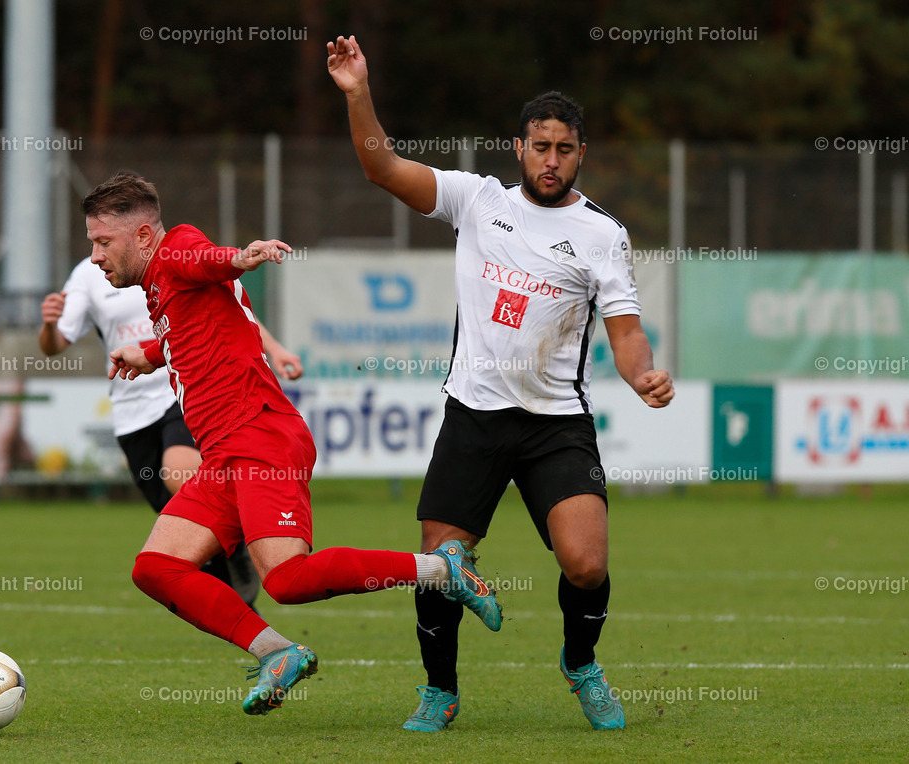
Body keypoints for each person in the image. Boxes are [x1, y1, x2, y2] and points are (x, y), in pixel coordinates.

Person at [327, 35, 675, 732]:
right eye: (540, 146)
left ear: (582, 155)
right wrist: (358, 93)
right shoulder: (476, 200)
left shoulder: (603, 234)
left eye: (565, 148)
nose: (552, 159)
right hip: (475, 417)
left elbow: (626, 329)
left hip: (555, 424)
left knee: (585, 562)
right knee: (435, 564)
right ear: (519, 148)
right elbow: (383, 169)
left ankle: (581, 663)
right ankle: (440, 690)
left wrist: (641, 374)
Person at [84, 171, 503, 717]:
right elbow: (203, 322)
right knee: (156, 568)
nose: (94, 255)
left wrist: (242, 256)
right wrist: (151, 351)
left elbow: (205, 260)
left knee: (287, 579)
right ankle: (277, 652)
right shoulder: (160, 285)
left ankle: (444, 571)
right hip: (225, 456)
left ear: (141, 236)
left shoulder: (177, 248)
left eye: (102, 242)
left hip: (260, 437)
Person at [37, 257, 304, 606]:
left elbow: (230, 299)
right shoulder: (88, 274)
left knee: (178, 470)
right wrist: (48, 325)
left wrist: (275, 347)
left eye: (105, 235)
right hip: (132, 408)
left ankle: (239, 544)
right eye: (95, 238)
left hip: (183, 387)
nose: (99, 247)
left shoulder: (173, 259)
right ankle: (233, 585)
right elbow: (54, 345)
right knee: (179, 531)